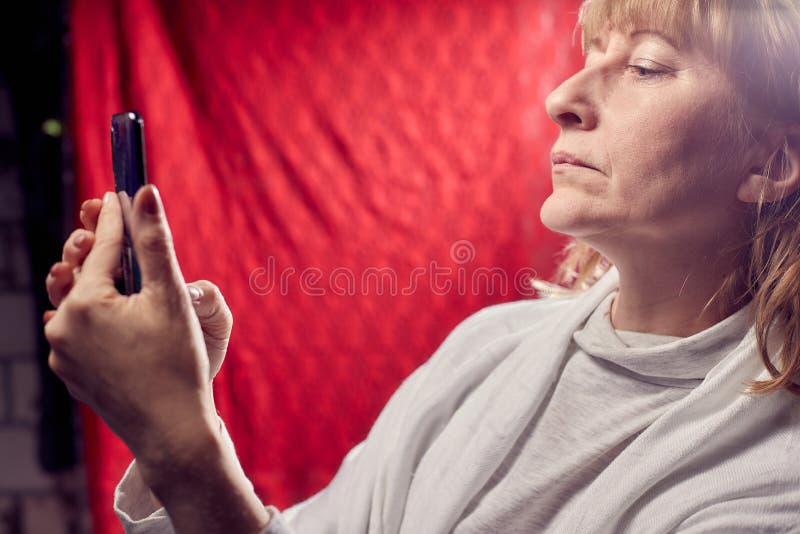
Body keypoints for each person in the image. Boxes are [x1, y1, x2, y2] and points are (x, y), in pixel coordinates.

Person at [45, 0, 800, 532]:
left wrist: (182, 442)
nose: (562, 97)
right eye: (586, 58)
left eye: (644, 66)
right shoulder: (488, 349)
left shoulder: (775, 483)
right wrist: (177, 411)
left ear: (770, 158)